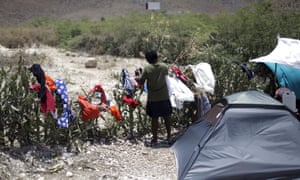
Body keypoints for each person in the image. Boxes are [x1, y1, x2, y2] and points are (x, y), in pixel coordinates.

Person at [139, 50, 172, 145]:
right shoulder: (164, 67)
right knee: (167, 116)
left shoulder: (147, 69)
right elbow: (166, 76)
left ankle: (155, 138)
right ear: (157, 57)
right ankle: (169, 136)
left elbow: (141, 82)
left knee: (154, 118)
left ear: (148, 59)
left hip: (153, 98)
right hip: (164, 96)